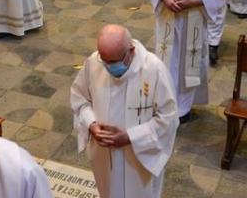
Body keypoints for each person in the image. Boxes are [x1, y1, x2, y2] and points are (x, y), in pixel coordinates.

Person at [70, 25, 178, 198]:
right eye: (104, 60)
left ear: (131, 50)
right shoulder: (94, 62)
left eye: (113, 62)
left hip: (139, 158)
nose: (108, 67)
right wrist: (92, 125)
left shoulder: (154, 70)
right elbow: (79, 98)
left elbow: (168, 118)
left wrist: (130, 137)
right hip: (104, 156)